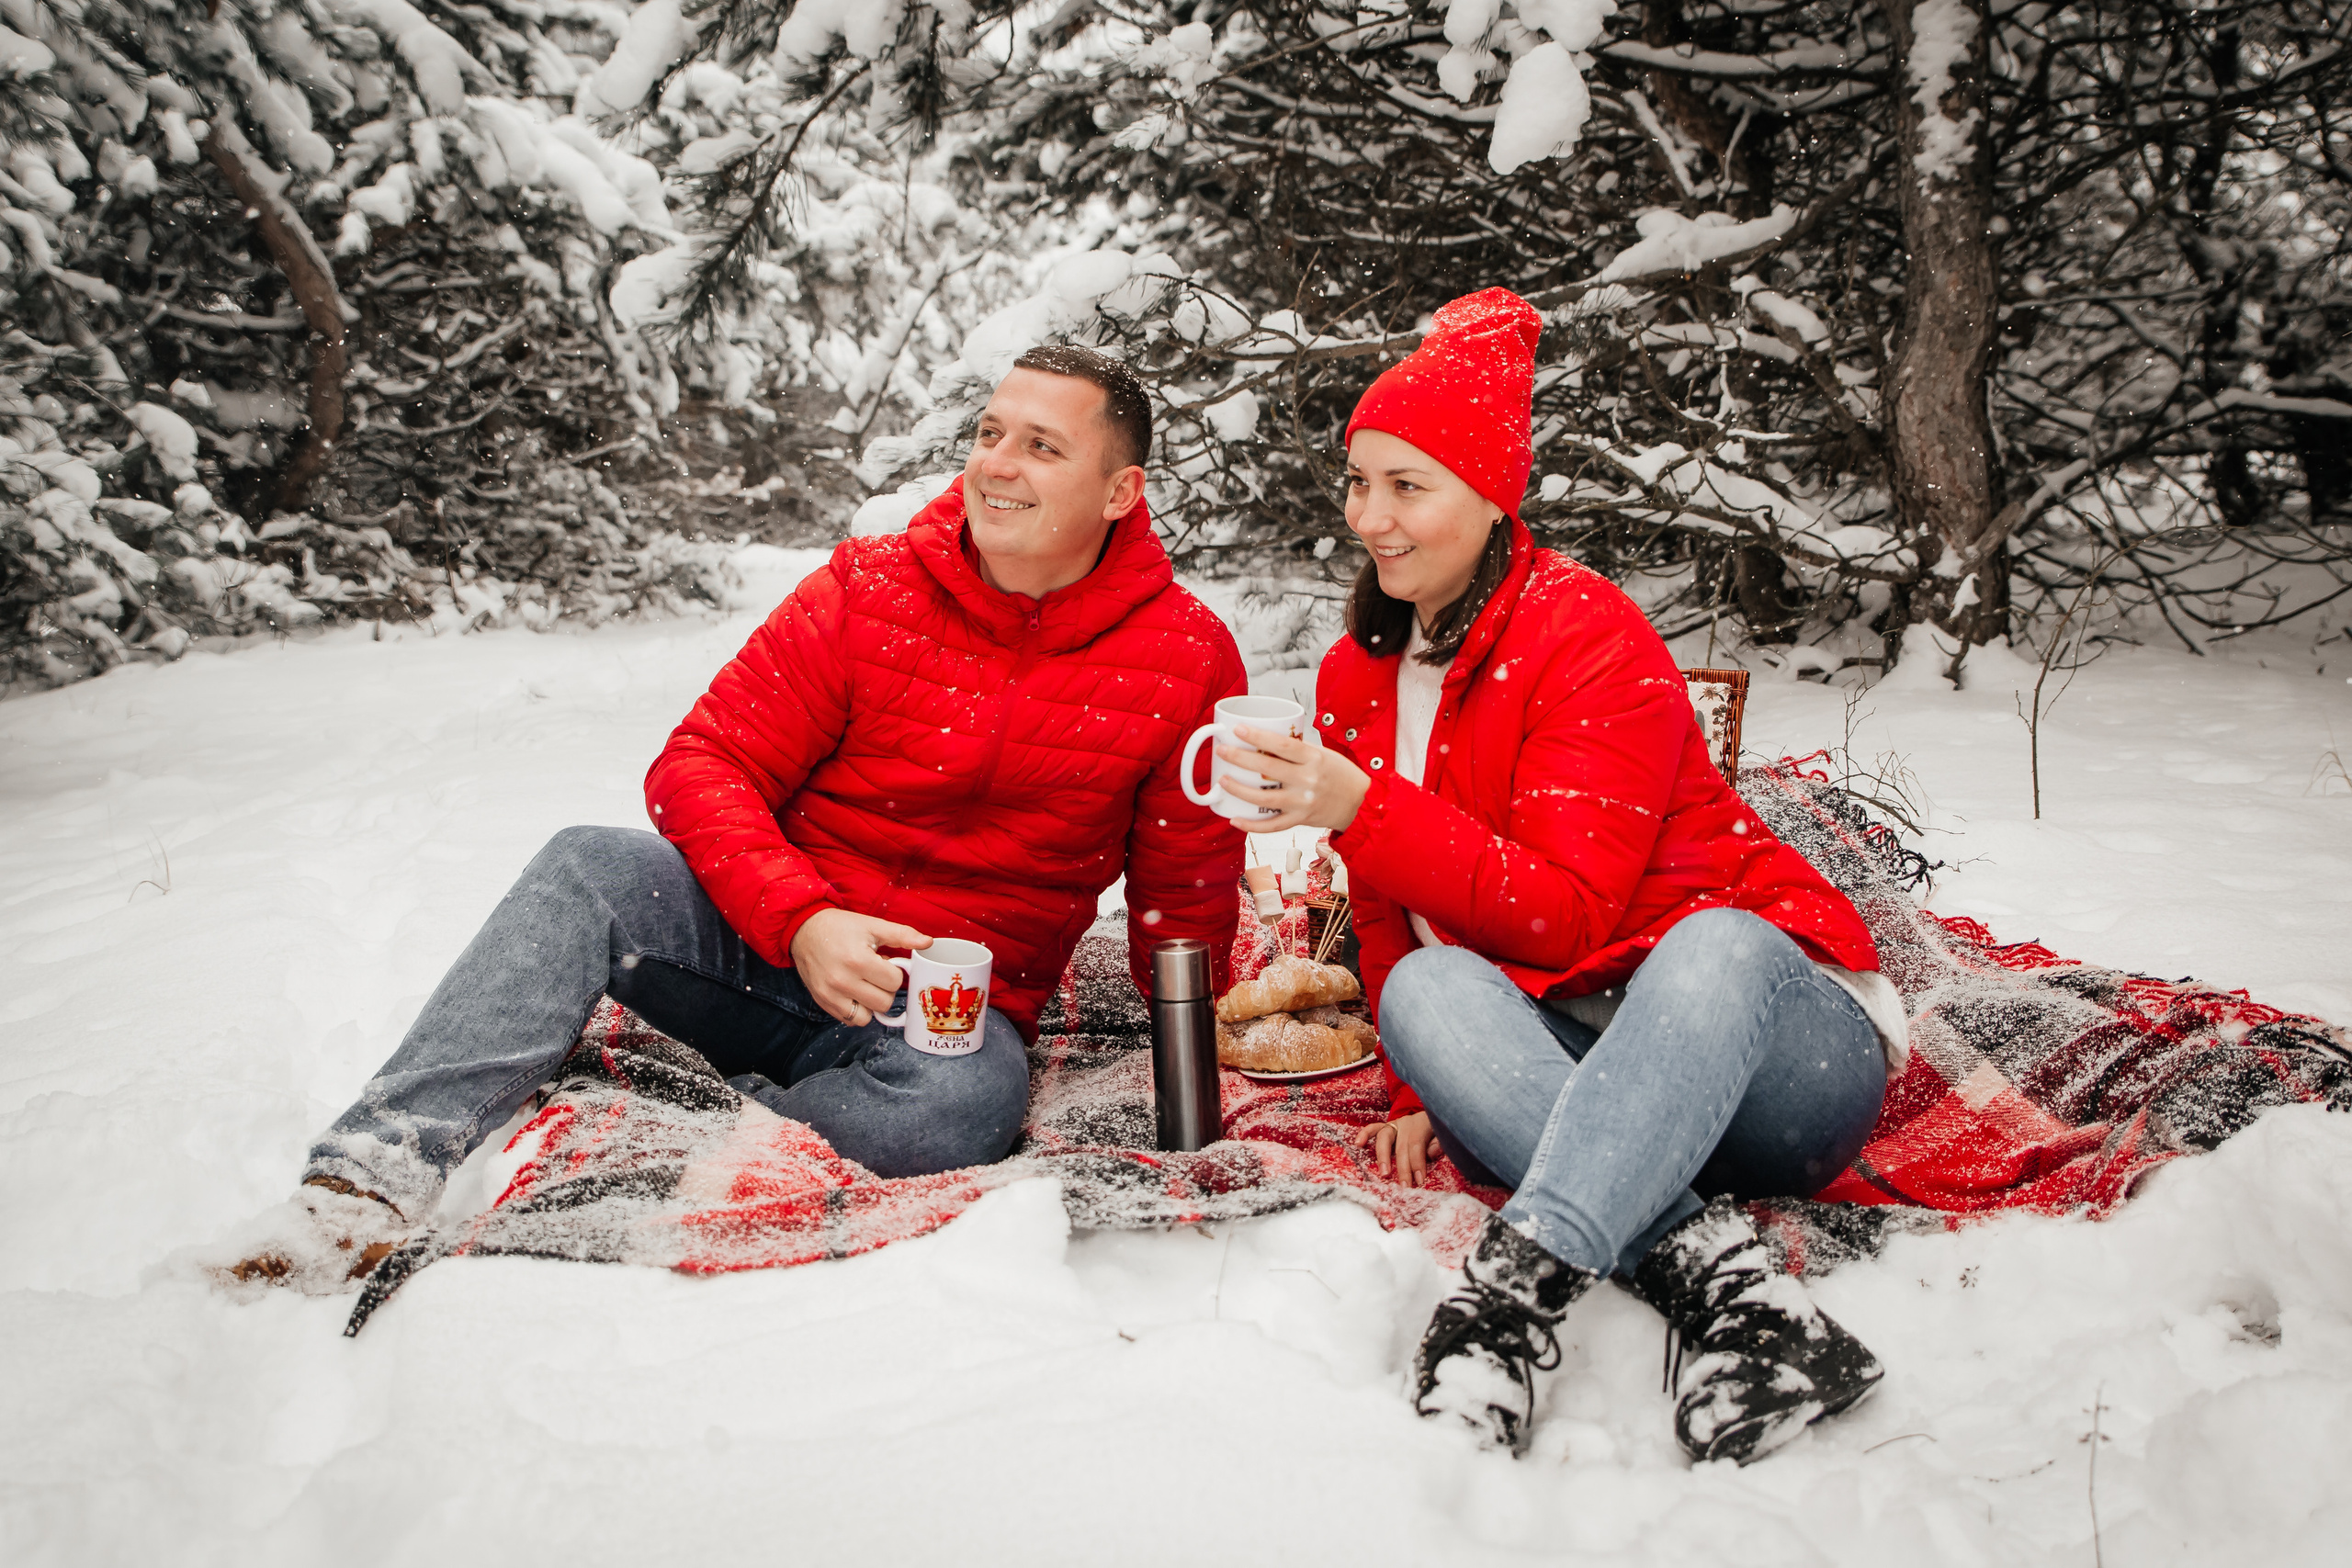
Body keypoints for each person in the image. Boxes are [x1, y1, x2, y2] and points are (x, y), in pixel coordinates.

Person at [210, 344, 1247, 1292]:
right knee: (585, 867)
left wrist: (1194, 1095)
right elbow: (700, 764)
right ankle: (358, 1187)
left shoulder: (1186, 657)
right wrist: (800, 918)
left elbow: (1184, 894)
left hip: (937, 1009)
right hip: (761, 944)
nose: (996, 465)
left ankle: (688, 1135)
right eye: (988, 434)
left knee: (963, 1108)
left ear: (1121, 491)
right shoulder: (867, 589)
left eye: (1041, 446)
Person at [1216, 289, 1907, 1466]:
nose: (1371, 518)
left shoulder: (1585, 633)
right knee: (1420, 996)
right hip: (1577, 1058)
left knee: (1716, 940)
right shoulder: (1355, 674)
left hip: (1769, 1060)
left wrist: (1357, 805)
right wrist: (1420, 1084)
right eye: (1359, 482)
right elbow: (1387, 912)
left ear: (1491, 499)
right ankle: (1732, 1298)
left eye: (1407, 486)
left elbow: (1566, 910)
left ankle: (1508, 1304)